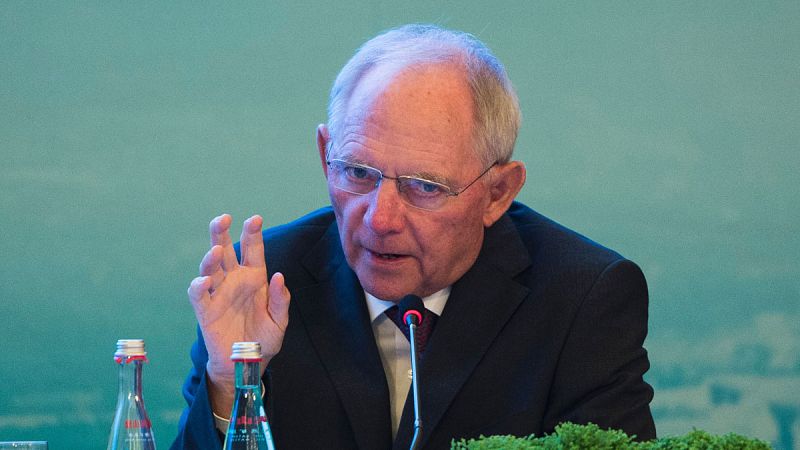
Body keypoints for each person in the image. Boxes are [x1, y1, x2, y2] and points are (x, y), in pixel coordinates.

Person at [171, 24, 656, 450]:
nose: (380, 219)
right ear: (325, 154)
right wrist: (232, 383)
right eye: (358, 172)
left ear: (498, 192)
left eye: (425, 186)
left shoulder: (582, 299)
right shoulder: (260, 284)